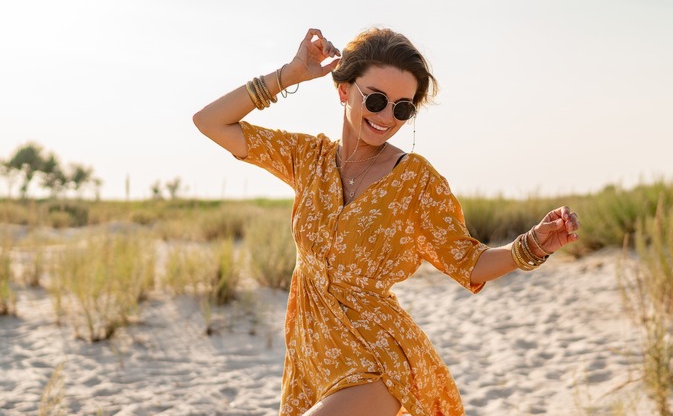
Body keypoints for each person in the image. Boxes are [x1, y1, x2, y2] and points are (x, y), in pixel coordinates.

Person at [193, 28, 580, 416]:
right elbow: (210, 122)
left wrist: (532, 245)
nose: (385, 117)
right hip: (313, 361)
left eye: (402, 108)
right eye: (376, 99)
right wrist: (290, 75)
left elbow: (469, 261)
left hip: (379, 359)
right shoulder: (307, 159)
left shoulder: (416, 181)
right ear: (343, 89)